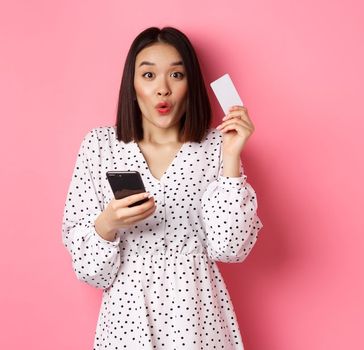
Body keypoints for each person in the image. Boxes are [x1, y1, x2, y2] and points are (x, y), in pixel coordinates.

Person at [61, 26, 264, 349]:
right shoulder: (100, 146)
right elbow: (90, 272)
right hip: (127, 322)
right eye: (149, 75)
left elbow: (230, 248)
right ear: (132, 84)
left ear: (191, 84)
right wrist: (108, 223)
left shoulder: (215, 146)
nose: (163, 90)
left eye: (177, 75)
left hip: (198, 318)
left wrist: (231, 159)